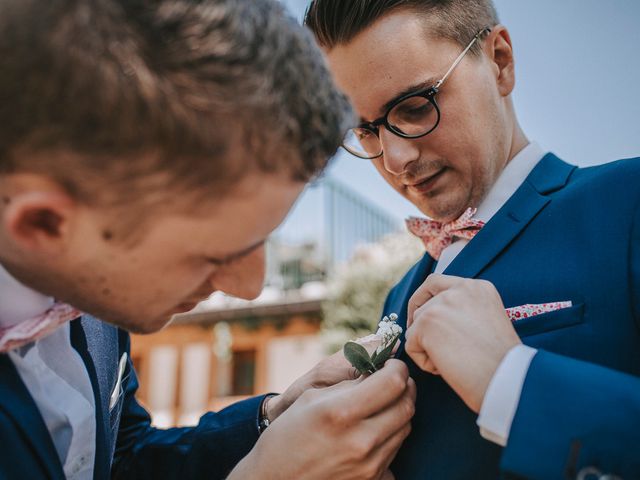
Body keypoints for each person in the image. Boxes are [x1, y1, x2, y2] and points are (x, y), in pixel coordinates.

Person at [0, 0, 416, 479]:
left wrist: (271, 420)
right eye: (217, 255)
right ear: (45, 225)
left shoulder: (93, 285)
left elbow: (122, 460)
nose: (251, 287)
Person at [305, 0, 640, 478]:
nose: (395, 158)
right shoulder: (398, 295)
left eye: (415, 106)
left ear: (500, 61)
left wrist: (511, 381)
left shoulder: (627, 203)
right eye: (366, 131)